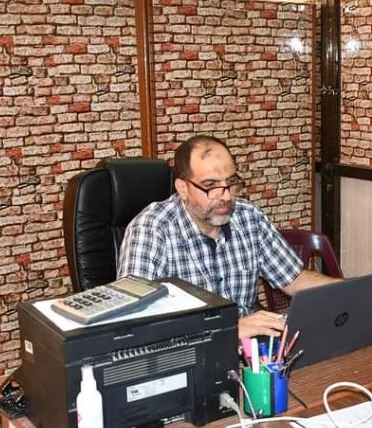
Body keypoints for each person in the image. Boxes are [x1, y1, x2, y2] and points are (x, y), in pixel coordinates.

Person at [117, 135, 337, 339]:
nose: (225, 196)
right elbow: (131, 323)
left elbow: (295, 280)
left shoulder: (248, 217)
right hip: (187, 353)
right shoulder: (151, 228)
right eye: (210, 186)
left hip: (250, 353)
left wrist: (351, 294)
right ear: (183, 188)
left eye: (231, 183)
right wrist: (232, 329)